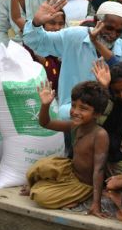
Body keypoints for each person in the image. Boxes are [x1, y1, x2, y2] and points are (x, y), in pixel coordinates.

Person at [23, 0, 122, 120]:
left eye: (118, 31)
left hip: (107, 121)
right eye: (109, 28)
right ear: (96, 21)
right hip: (69, 116)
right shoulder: (73, 36)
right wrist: (36, 23)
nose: (113, 35)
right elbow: (36, 42)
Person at [25, 81, 109, 217]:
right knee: (38, 168)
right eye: (73, 105)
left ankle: (78, 199)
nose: (75, 112)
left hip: (83, 184)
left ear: (97, 114)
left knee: (40, 196)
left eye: (83, 108)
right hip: (70, 170)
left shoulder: (100, 135)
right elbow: (45, 123)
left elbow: (99, 170)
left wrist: (96, 203)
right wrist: (45, 105)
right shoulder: (75, 126)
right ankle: (50, 189)